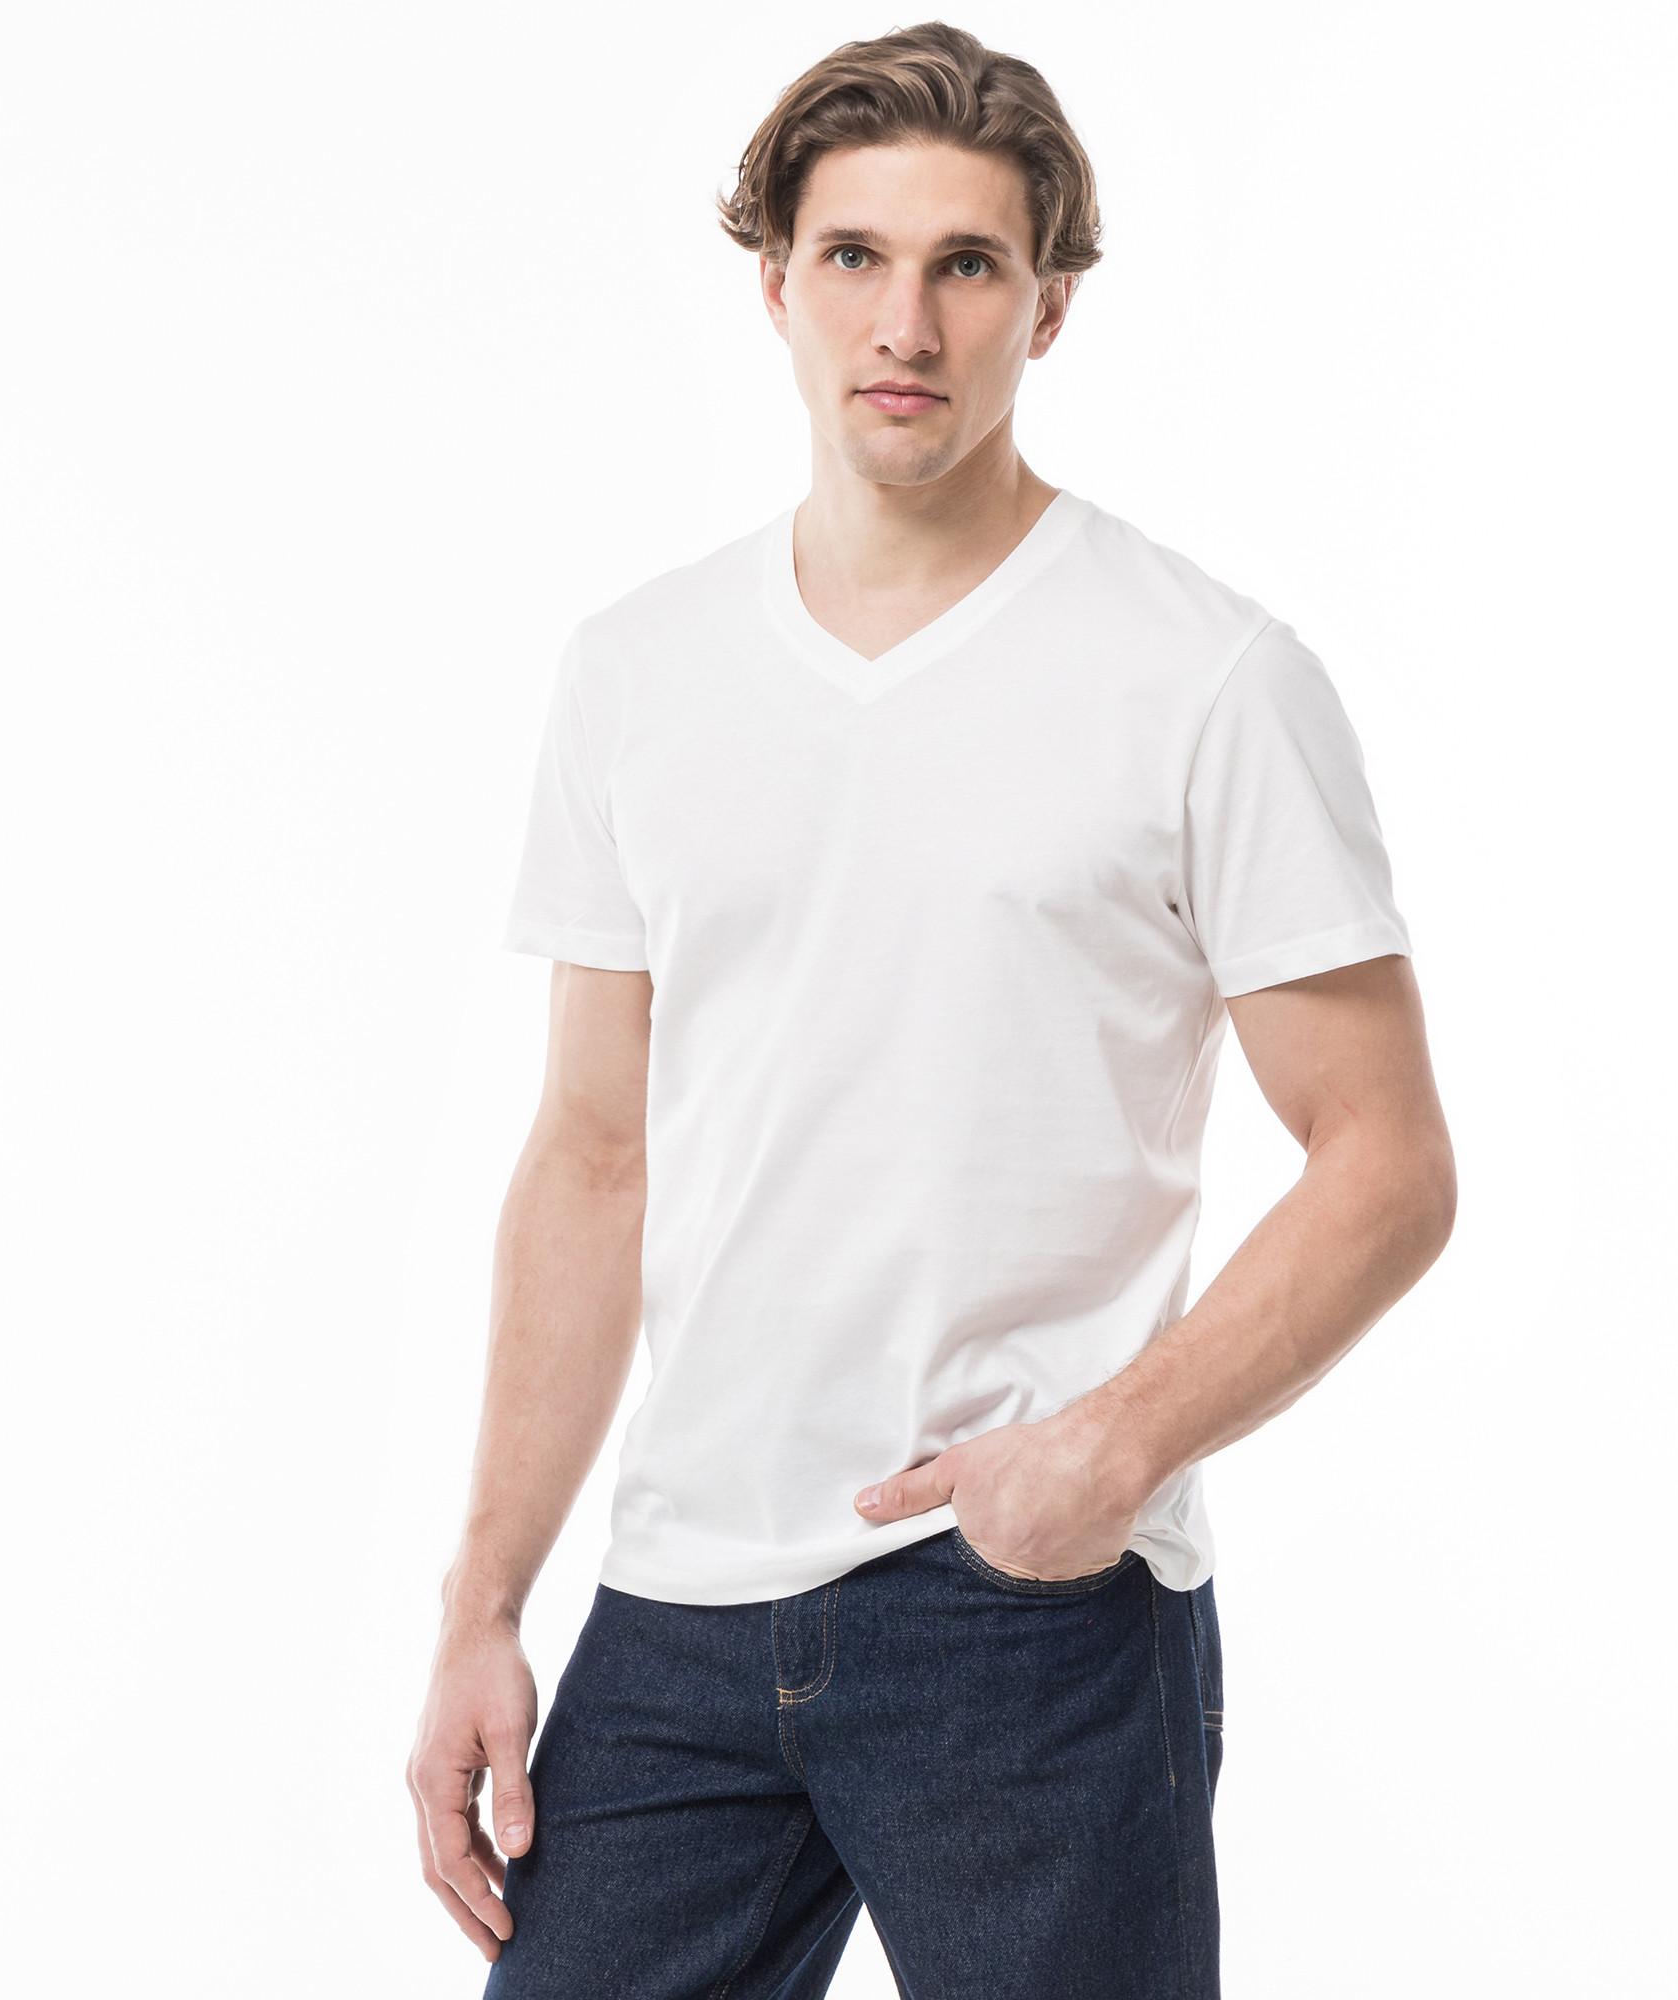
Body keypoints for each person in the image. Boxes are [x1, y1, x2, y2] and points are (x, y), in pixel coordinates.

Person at [407, 21, 1455, 1996]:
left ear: (1048, 305)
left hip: (1026, 1609)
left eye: (968, 263)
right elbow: (594, 1153)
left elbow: (1386, 1163)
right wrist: (485, 1600)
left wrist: (1108, 1451)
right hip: (681, 1605)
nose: (907, 322)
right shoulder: (638, 671)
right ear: (774, 283)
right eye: (856, 256)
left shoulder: (1205, 678)